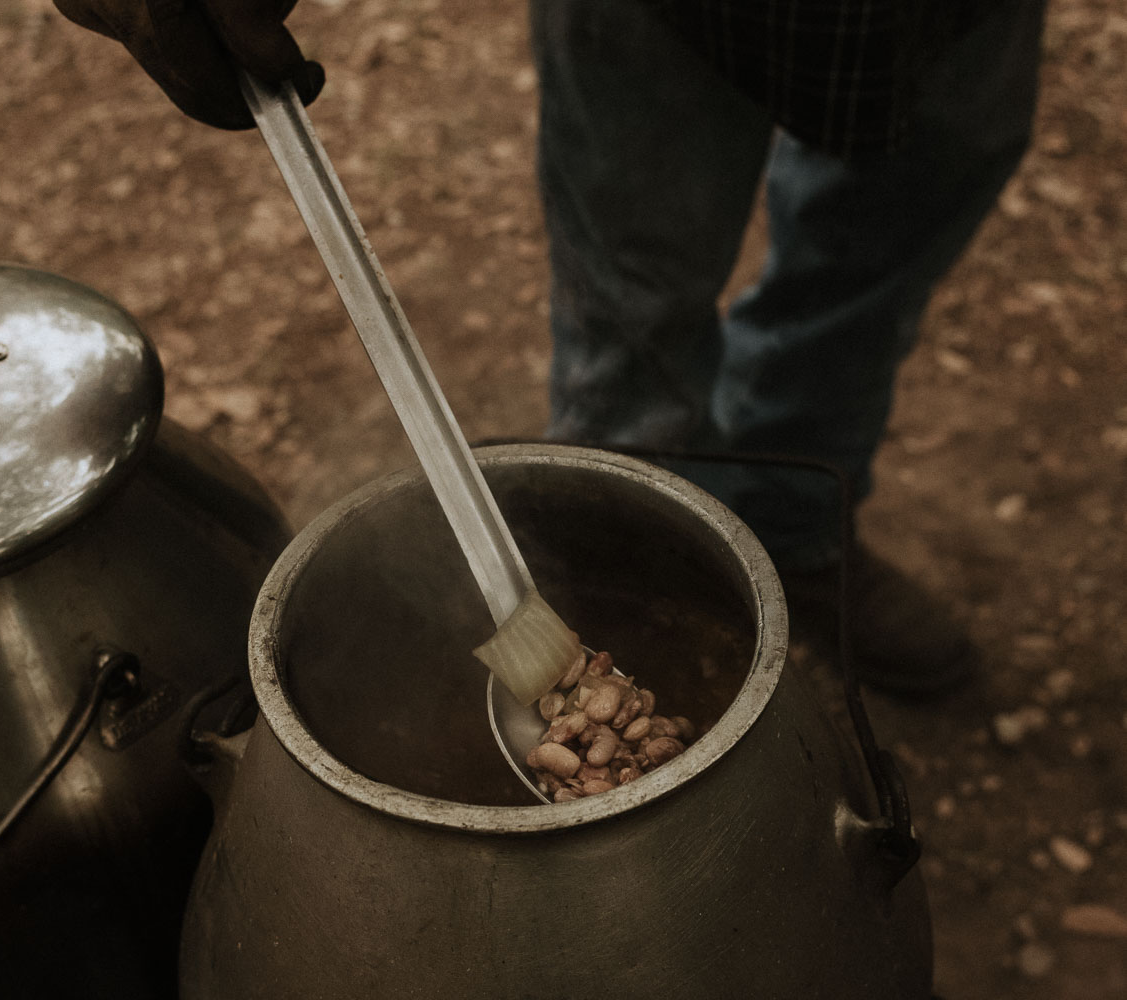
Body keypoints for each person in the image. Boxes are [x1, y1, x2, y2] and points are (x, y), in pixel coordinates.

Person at [51, 0, 1048, 697]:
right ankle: (628, 588)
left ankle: (793, 528)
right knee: (635, 307)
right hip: (673, 13)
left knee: (874, 266)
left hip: (949, 15)